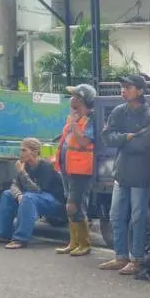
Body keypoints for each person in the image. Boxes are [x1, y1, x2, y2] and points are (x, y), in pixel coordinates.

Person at [99, 74, 150, 275]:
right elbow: (107, 136)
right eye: (122, 87)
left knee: (138, 217)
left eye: (128, 87)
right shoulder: (119, 111)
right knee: (115, 215)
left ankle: (137, 259)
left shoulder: (149, 115)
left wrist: (122, 140)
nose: (123, 90)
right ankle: (121, 256)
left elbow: (144, 144)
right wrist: (126, 137)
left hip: (140, 173)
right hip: (121, 171)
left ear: (140, 91)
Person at [0, 137, 67, 248]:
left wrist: (22, 172)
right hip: (35, 197)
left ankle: (21, 238)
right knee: (7, 194)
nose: (21, 153)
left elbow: (37, 190)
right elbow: (14, 185)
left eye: (24, 150)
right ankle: (3, 234)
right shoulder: (25, 165)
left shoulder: (46, 166)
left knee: (29, 197)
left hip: (55, 202)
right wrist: (19, 194)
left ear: (34, 152)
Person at [55, 84, 98, 257]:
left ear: (81, 99)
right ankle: (73, 242)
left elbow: (83, 142)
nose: (70, 99)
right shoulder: (73, 118)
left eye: (73, 96)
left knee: (75, 206)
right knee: (69, 205)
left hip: (81, 169)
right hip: (68, 167)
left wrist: (73, 125)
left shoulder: (90, 120)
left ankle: (84, 243)